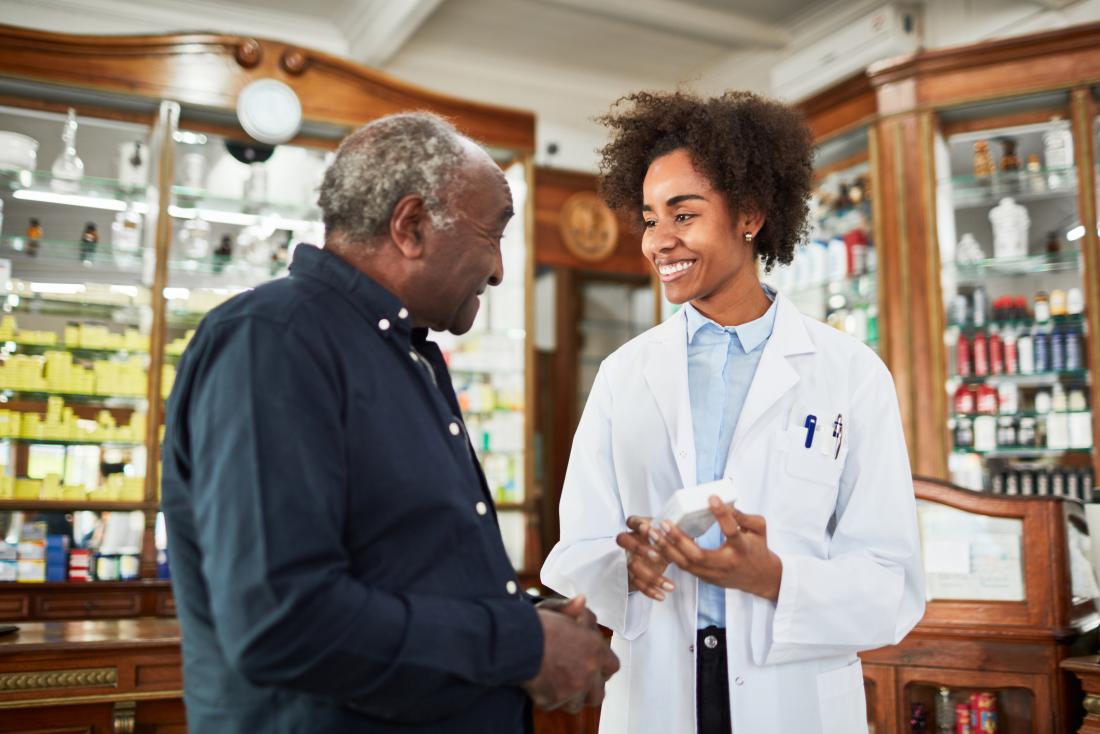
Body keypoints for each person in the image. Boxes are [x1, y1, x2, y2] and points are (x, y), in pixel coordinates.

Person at [161, 112, 618, 733]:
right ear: (410, 226)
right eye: (492, 236)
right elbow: (282, 620)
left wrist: (535, 618)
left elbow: (406, 569)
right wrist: (521, 644)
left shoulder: (403, 354)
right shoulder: (274, 341)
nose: (499, 271)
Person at [541, 91, 924, 734]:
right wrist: (627, 567)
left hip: (792, 693)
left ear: (749, 214)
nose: (659, 242)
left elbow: (892, 583)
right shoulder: (624, 375)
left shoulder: (850, 374)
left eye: (683, 215)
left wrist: (777, 578)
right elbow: (577, 547)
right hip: (659, 688)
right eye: (649, 218)